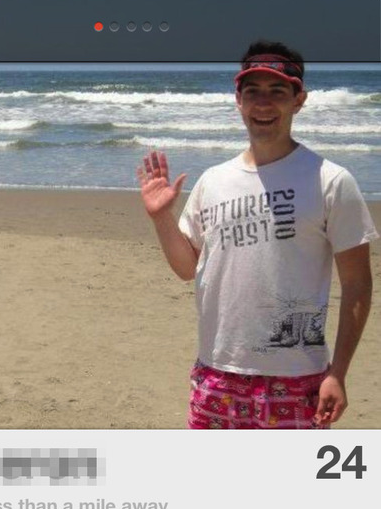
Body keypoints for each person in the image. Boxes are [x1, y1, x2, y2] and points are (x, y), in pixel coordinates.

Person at [138, 40, 378, 429]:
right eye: (252, 92)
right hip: (216, 372)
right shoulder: (213, 181)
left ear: (299, 100)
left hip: (298, 378)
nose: (263, 104)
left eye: (277, 92)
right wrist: (161, 217)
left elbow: (357, 284)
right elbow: (186, 268)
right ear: (238, 100)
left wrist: (339, 372)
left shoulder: (331, 180)